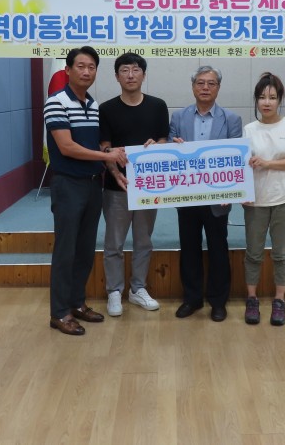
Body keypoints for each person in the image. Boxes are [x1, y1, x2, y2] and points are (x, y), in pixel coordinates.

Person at [44, 46, 126, 336]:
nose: (86, 72)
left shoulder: (92, 104)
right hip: (68, 185)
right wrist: (107, 156)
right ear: (67, 70)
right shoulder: (56, 102)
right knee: (66, 250)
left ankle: (76, 303)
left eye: (92, 67)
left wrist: (112, 168)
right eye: (80, 66)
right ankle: (59, 313)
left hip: (93, 185)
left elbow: (95, 147)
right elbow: (67, 147)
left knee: (85, 250)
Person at [169, 65, 242, 322]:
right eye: (200, 83)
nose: (205, 88)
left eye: (211, 83)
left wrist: (230, 192)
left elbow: (235, 159)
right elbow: (168, 152)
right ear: (193, 87)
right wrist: (173, 146)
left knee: (218, 249)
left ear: (218, 88)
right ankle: (192, 298)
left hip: (217, 198)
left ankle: (218, 302)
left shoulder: (231, 119)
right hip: (186, 196)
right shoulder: (178, 117)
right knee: (189, 248)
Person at [99, 52, 169, 316]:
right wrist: (114, 167)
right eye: (125, 70)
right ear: (117, 76)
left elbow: (163, 140)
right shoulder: (106, 109)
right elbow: (104, 147)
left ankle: (138, 288)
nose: (130, 75)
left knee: (143, 241)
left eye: (136, 70)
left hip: (148, 186)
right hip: (117, 186)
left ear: (144, 75)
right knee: (114, 243)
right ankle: (114, 291)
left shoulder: (158, 106)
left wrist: (156, 146)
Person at [242, 73, 285, 326]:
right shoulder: (249, 129)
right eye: (261, 97)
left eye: (272, 97)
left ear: (280, 100)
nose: (266, 102)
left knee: (281, 254)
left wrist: (267, 163)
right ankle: (252, 299)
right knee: (253, 253)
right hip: (255, 201)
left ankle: (279, 301)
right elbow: (241, 166)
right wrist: (242, 192)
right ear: (256, 100)